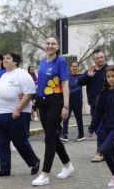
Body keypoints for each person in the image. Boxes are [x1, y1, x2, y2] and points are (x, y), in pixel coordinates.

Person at [0, 52, 40, 177]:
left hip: (14, 115)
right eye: (4, 58)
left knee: (20, 142)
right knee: (1, 143)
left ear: (15, 61)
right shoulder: (4, 75)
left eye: (8, 58)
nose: (4, 60)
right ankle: (4, 169)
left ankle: (34, 161)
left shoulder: (22, 74)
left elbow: (29, 92)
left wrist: (18, 109)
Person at [32, 36, 74, 186]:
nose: (50, 46)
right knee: (53, 137)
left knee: (49, 138)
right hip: (43, 102)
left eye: (53, 44)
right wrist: (35, 100)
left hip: (56, 101)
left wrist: (66, 106)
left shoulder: (61, 61)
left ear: (57, 47)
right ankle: (68, 165)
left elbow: (65, 85)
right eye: (48, 43)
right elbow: (41, 84)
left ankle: (45, 174)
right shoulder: (42, 61)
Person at [78, 49, 108, 162]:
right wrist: (88, 76)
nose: (100, 59)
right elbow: (78, 82)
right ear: (93, 59)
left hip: (107, 105)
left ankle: (101, 152)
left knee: (103, 129)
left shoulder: (109, 69)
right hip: (94, 106)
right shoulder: (91, 71)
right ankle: (105, 150)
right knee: (99, 129)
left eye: (102, 57)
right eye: (98, 58)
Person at [60, 62, 85, 142]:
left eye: (76, 66)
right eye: (73, 66)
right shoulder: (67, 76)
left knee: (79, 118)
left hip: (77, 101)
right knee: (65, 117)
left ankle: (81, 135)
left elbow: (79, 88)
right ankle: (65, 135)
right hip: (68, 101)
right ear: (70, 68)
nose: (74, 67)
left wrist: (68, 92)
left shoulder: (81, 77)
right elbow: (64, 86)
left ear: (78, 67)